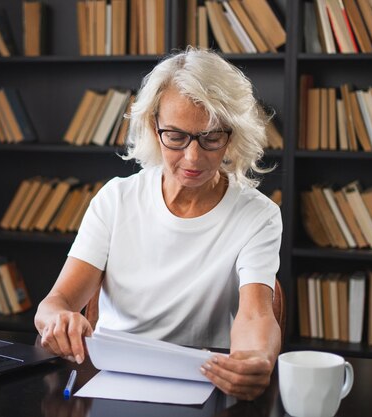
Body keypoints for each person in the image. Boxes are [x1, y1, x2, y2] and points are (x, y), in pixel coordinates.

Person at [34, 48, 282, 401]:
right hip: (113, 375)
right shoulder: (115, 200)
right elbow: (56, 302)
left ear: (234, 134)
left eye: (211, 138)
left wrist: (257, 358)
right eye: (176, 137)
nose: (193, 158)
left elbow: (256, 314)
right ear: (154, 127)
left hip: (202, 380)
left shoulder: (258, 214)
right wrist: (58, 319)